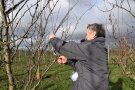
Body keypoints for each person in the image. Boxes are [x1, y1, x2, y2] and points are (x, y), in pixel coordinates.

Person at [49, 23, 109, 90]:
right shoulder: (99, 48)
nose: (85, 36)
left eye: (86, 34)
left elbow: (68, 48)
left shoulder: (90, 48)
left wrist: (53, 39)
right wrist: (67, 61)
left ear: (93, 34)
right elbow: (84, 64)